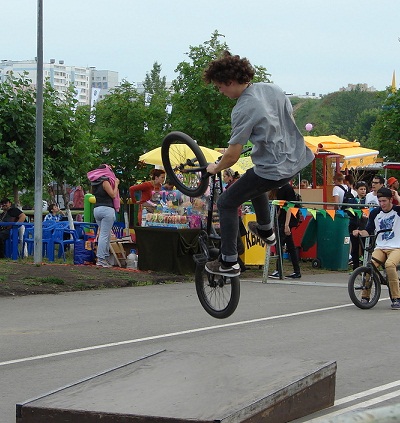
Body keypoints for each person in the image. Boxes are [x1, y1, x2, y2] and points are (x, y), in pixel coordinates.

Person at [202, 51, 314, 277]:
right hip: (296, 159)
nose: (220, 92)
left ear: (230, 81)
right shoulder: (272, 89)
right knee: (253, 181)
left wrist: (215, 167)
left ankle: (229, 261)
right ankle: (266, 230)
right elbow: (286, 121)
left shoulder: (243, 108)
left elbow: (232, 157)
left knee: (226, 203)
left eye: (220, 87)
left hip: (273, 169)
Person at [352, 187, 400, 310]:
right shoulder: (375, 213)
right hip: (381, 247)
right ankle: (365, 296)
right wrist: (359, 232)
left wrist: (397, 197)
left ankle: (396, 298)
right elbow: (368, 230)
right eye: (380, 201)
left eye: (384, 201)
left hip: (396, 247)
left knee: (389, 265)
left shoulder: (397, 211)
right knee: (370, 266)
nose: (382, 204)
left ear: (390, 200)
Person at [87, 164, 120, 268]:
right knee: (104, 235)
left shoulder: (94, 183)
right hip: (107, 209)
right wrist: (116, 184)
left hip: (97, 209)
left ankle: (105, 258)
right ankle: (101, 259)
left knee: (105, 234)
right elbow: (113, 195)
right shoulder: (105, 182)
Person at [269, 183, 302, 279]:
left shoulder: (288, 189)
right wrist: (275, 221)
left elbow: (290, 207)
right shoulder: (279, 188)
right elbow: (280, 207)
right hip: (282, 219)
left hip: (288, 219)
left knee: (279, 244)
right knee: (290, 246)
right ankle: (297, 271)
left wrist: (287, 225)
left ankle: (279, 270)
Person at [347, 181, 368, 270]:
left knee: (364, 246)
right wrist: (356, 213)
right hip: (353, 225)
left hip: (364, 226)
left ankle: (365, 266)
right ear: (356, 190)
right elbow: (348, 211)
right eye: (361, 189)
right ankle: (355, 267)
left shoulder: (367, 200)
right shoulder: (351, 201)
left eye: (364, 189)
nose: (363, 191)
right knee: (355, 246)